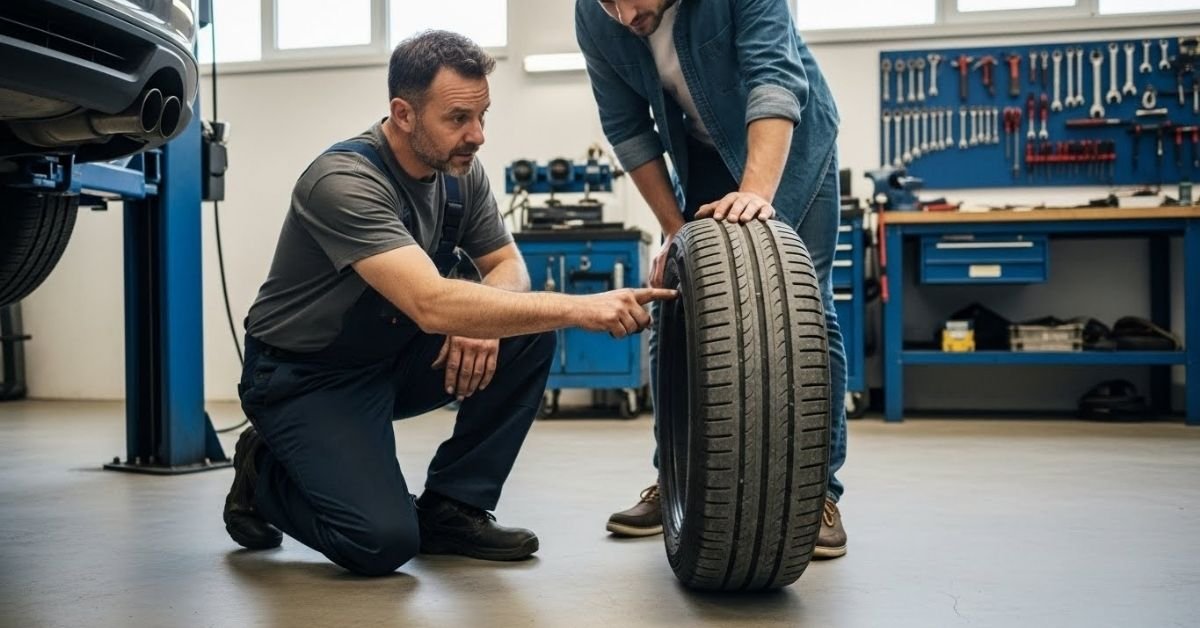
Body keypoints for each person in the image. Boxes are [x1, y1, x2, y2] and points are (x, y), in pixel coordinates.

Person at [222, 30, 676, 577]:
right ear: (403, 113)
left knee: (525, 333)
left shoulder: (460, 177)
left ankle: (452, 508)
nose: (477, 136)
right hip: (304, 378)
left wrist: (485, 321)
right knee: (381, 545)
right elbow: (431, 303)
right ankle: (262, 472)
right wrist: (581, 308)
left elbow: (508, 267)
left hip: (387, 360)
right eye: (458, 119)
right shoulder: (343, 182)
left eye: (483, 116)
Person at [575, 0, 849, 558]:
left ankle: (818, 493)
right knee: (677, 306)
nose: (623, 15)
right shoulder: (595, 15)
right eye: (609, 2)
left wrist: (756, 195)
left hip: (792, 147)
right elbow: (627, 128)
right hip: (700, 158)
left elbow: (774, 78)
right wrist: (674, 228)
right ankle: (673, 478)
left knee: (808, 309)